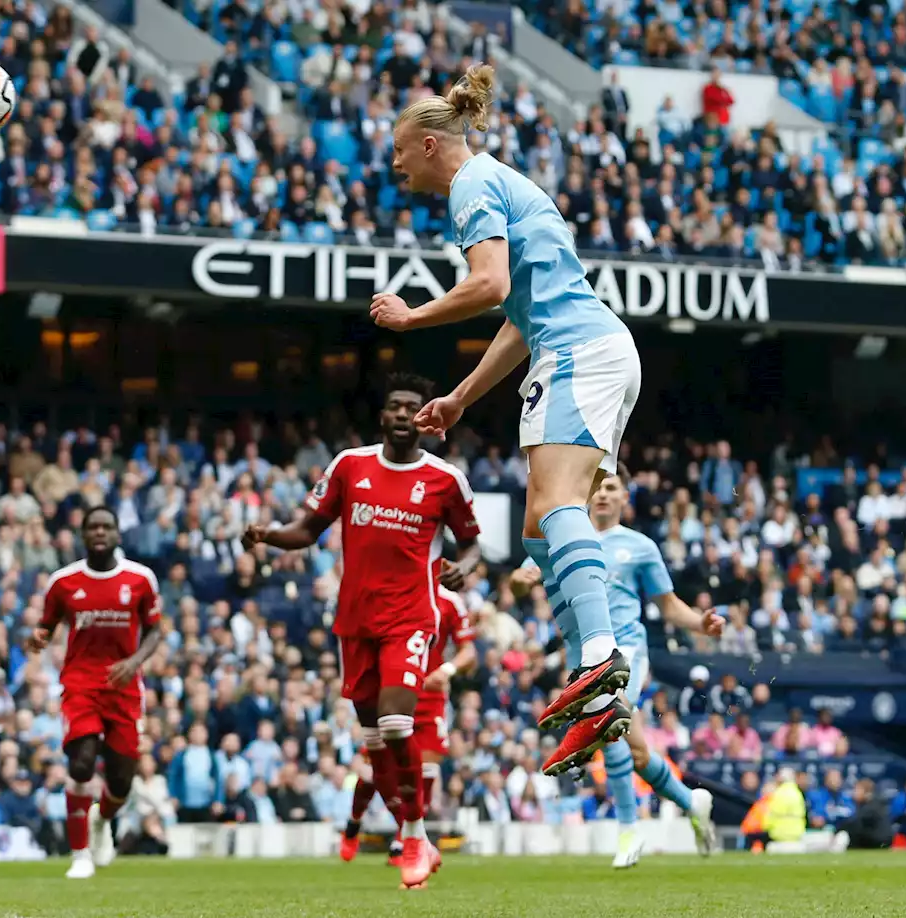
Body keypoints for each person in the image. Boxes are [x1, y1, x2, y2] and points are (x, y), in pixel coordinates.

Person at [369, 63, 642, 775]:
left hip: (581, 352)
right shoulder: (503, 181)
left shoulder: (470, 185)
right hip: (587, 347)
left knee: (556, 504)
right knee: (537, 531)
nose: (394, 163)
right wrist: (461, 396)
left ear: (429, 144)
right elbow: (519, 315)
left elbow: (487, 284)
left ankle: (599, 659)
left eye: (399, 150)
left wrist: (413, 317)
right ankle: (594, 693)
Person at [243, 373, 481, 890]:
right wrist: (268, 535)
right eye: (393, 406)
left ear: (425, 418)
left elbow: (471, 542)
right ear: (382, 416)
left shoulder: (444, 479)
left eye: (411, 408)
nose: (401, 414)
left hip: (412, 617)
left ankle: (415, 836)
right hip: (355, 620)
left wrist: (468, 567)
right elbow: (307, 529)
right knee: (374, 739)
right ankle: (406, 831)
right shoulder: (350, 467)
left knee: (397, 725)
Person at [512, 474, 720, 867]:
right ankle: (692, 803)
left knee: (610, 720)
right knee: (637, 751)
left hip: (627, 650)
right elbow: (521, 581)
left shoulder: (640, 546)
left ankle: (628, 831)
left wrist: (700, 624)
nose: (604, 494)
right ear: (587, 493)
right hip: (582, 659)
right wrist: (519, 581)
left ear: (625, 497)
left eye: (612, 488)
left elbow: (669, 604)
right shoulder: (564, 538)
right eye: (599, 487)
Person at [27, 507, 164, 880]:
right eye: (93, 527)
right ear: (83, 535)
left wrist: (134, 661)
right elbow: (46, 625)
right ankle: (80, 854)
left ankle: (101, 821)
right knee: (82, 762)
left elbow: (154, 631)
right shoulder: (64, 582)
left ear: (118, 534)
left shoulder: (140, 579)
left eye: (106, 526)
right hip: (80, 684)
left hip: (124, 688)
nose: (100, 532)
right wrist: (38, 638)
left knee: (121, 779)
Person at [340, 578, 477, 868]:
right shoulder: (395, 589)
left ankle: (406, 838)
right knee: (372, 771)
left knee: (425, 769)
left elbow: (469, 652)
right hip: (393, 688)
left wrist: (448, 669)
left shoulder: (449, 600)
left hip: (430, 695)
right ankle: (355, 823)